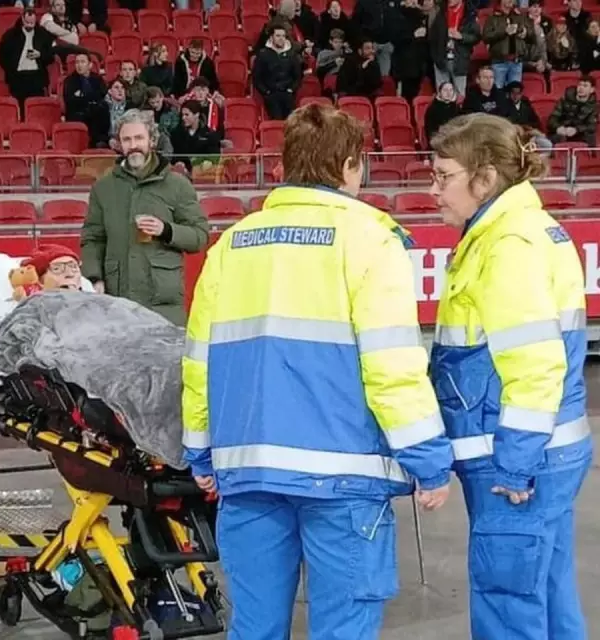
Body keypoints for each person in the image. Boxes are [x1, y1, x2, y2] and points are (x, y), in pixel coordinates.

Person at [181, 104, 454, 640]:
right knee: (343, 627)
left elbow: (199, 363)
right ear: (352, 165)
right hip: (345, 477)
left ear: (286, 164)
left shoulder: (231, 244)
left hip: (248, 471)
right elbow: (392, 364)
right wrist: (428, 459)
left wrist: (199, 448)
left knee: (255, 627)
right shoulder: (371, 240)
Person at [428, 113, 592, 640]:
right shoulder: (522, 230)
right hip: (544, 452)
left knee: (507, 603)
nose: (434, 190)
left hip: (517, 459)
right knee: (545, 593)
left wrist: (515, 464)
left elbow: (534, 364)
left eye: (443, 176)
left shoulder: (506, 247)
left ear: (485, 178)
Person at [80, 109, 209, 327]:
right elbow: (93, 238)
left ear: (152, 140)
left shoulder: (177, 185)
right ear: (119, 144)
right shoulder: (103, 188)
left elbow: (199, 236)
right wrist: (94, 278)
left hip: (163, 304)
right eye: (126, 139)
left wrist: (166, 230)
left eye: (139, 138)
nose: (133, 145)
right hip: (117, 302)